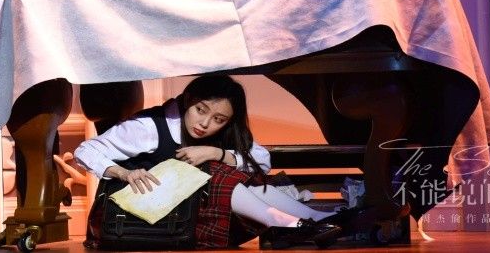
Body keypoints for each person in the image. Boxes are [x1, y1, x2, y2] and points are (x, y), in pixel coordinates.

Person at [74, 74, 343, 249]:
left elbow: (262, 161)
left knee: (232, 172)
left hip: (194, 220)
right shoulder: (150, 126)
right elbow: (85, 150)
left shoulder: (221, 133)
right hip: (146, 221)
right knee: (212, 173)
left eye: (218, 119)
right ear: (188, 100)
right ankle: (288, 224)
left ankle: (319, 220)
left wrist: (217, 153)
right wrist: (123, 173)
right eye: (200, 110)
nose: (204, 124)